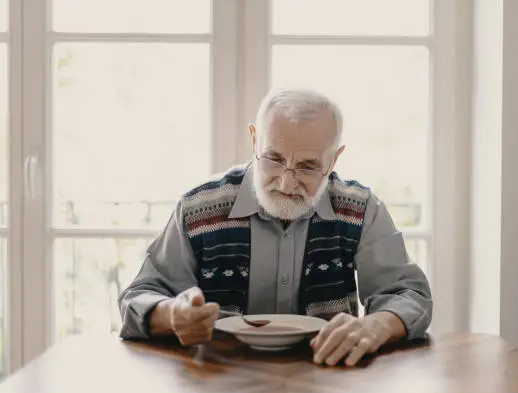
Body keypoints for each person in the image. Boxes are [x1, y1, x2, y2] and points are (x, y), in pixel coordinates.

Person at [118, 88, 433, 367]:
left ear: (334, 160)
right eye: (273, 159)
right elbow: (139, 297)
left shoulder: (361, 208)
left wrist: (377, 325)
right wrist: (172, 315)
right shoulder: (198, 207)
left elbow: (409, 294)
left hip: (330, 379)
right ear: (255, 140)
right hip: (217, 379)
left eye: (308, 166)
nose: (286, 182)